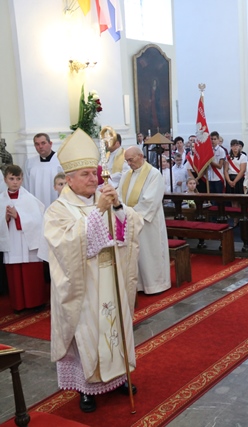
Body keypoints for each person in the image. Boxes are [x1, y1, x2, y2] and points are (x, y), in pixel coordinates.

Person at [44, 129, 143, 413]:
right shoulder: (58, 210)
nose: (93, 178)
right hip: (85, 286)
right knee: (88, 333)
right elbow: (65, 245)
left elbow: (131, 226)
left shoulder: (104, 198)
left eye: (93, 173)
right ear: (69, 180)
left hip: (110, 277)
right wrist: (99, 211)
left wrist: (118, 206)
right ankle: (86, 388)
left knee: (114, 328)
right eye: (85, 174)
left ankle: (119, 375)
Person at [119, 146, 171, 295]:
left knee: (149, 253)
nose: (129, 163)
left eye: (131, 160)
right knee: (136, 254)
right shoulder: (126, 175)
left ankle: (155, 284)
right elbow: (119, 196)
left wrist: (129, 213)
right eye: (127, 161)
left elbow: (150, 201)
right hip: (130, 221)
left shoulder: (154, 174)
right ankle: (138, 284)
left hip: (148, 224)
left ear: (140, 156)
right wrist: (121, 211)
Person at [0, 165, 48, 311]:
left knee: (30, 273)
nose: (15, 182)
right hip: (12, 242)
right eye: (11, 178)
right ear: (5, 179)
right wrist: (5, 218)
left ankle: (36, 303)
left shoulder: (29, 199)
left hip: (28, 243)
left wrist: (19, 216)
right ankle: (19, 305)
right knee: (15, 274)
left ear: (22, 180)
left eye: (18, 179)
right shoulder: (1, 200)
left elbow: (38, 220)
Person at [24, 133, 63, 208]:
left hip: (56, 205)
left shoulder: (60, 161)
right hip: (36, 206)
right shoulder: (30, 163)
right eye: (37, 144)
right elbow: (26, 186)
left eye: (43, 143)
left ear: (50, 144)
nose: (40, 147)